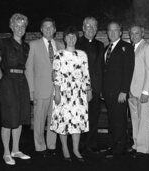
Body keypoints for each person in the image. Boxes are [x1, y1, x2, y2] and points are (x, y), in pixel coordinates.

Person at [0, 13, 31, 165]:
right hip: (9, 82)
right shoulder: (3, 43)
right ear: (11, 26)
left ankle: (15, 150)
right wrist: (4, 81)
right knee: (9, 119)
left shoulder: (26, 46)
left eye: (23, 26)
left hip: (22, 82)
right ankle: (6, 152)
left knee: (20, 117)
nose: (20, 28)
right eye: (17, 25)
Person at [50, 26, 92, 162]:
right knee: (63, 121)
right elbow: (56, 75)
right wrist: (57, 93)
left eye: (73, 36)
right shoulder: (59, 54)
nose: (71, 39)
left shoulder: (82, 54)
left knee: (77, 122)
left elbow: (86, 74)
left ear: (77, 38)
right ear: (64, 38)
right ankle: (65, 148)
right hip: (63, 92)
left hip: (79, 94)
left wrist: (88, 90)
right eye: (68, 36)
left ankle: (75, 149)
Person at [25, 17, 64, 157]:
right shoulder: (33, 45)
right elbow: (28, 69)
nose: (48, 29)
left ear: (54, 30)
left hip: (57, 91)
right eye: (45, 27)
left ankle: (52, 146)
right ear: (41, 29)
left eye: (51, 27)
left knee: (54, 121)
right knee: (39, 121)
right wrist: (31, 91)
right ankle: (40, 147)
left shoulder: (61, 45)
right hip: (40, 90)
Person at [102, 21, 135, 158]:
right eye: (110, 30)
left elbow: (128, 70)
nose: (112, 32)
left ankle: (119, 148)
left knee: (120, 120)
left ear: (120, 32)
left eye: (115, 30)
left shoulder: (126, 47)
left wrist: (124, 90)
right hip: (108, 92)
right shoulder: (106, 48)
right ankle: (112, 144)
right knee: (112, 120)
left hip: (119, 92)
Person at [76, 17, 104, 154]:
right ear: (83, 27)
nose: (91, 29)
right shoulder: (76, 43)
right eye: (88, 26)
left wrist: (99, 88)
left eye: (94, 26)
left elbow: (100, 68)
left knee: (93, 116)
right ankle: (80, 144)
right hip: (80, 89)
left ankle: (92, 143)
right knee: (80, 117)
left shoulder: (100, 45)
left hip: (96, 87)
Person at [128, 24, 149, 158]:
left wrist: (146, 92)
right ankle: (136, 145)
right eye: (132, 33)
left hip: (144, 92)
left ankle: (143, 149)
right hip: (132, 91)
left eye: (137, 33)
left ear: (142, 33)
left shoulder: (148, 47)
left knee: (143, 121)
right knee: (135, 119)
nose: (134, 36)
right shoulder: (130, 48)